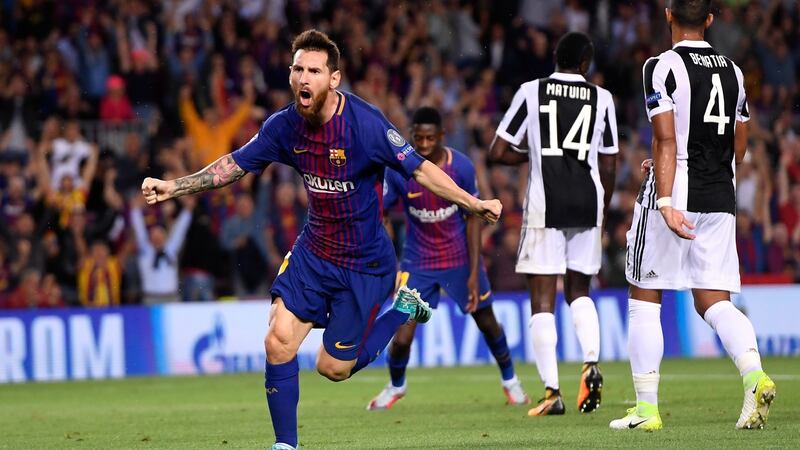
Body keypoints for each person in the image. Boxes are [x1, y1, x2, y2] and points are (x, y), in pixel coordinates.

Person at [141, 30, 502, 450]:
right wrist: (175, 187)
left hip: (365, 265)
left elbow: (419, 169)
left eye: (314, 70)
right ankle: (285, 445)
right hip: (314, 253)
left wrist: (470, 202)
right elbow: (234, 165)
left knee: (332, 368)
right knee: (277, 340)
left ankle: (402, 309)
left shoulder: (366, 126)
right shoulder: (283, 127)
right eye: (297, 69)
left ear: (334, 79)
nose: (303, 78)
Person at [609, 0, 774, 431]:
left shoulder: (660, 66)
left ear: (668, 15)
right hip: (720, 190)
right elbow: (739, 142)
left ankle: (646, 411)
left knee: (644, 294)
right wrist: (711, 172)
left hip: (676, 191)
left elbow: (666, 138)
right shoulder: (734, 71)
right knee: (713, 300)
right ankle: (755, 377)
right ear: (710, 20)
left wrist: (664, 199)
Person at [488, 31, 618, 416]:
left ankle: (552, 393)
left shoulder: (532, 91)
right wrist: (603, 211)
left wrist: (537, 154)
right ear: (585, 64)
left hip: (546, 206)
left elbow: (498, 150)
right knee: (580, 291)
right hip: (588, 206)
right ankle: (591, 363)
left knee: (543, 301)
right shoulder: (603, 98)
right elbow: (609, 161)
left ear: (556, 60)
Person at [367, 107, 529, 410]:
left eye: (430, 137)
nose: (424, 143)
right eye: (419, 137)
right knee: (401, 335)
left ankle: (511, 382)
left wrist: (473, 271)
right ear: (412, 135)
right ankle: (396, 386)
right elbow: (381, 210)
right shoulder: (401, 169)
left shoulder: (462, 168)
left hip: (459, 260)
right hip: (418, 263)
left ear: (442, 136)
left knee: (488, 323)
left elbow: (473, 218)